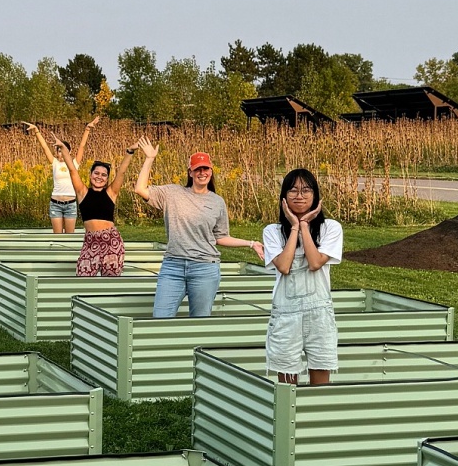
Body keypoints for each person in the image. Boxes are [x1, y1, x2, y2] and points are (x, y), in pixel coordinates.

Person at [132, 137, 263, 317]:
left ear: (211, 171)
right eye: (197, 169)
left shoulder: (217, 202)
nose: (202, 172)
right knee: (160, 318)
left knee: (200, 320)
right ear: (190, 173)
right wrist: (149, 159)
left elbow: (220, 237)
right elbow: (140, 189)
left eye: (206, 168)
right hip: (173, 266)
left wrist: (250, 243)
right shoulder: (172, 193)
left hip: (205, 268)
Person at [263, 169, 342, 385]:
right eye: (293, 190)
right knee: (287, 384)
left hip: (320, 315)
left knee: (321, 383)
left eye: (306, 190)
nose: (300, 195)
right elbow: (284, 266)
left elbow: (315, 263)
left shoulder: (331, 229)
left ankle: (318, 418)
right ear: (284, 197)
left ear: (315, 196)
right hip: (285, 316)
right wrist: (295, 226)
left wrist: (305, 226)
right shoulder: (272, 231)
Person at [49, 134, 135, 276]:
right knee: (83, 277)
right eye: (96, 173)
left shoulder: (111, 193)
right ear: (90, 175)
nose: (99, 177)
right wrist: (63, 148)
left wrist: (129, 152)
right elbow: (72, 170)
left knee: (110, 282)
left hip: (111, 241)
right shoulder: (82, 192)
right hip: (90, 241)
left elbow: (122, 172)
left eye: (103, 175)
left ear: (107, 179)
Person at [24, 116, 99, 233]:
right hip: (56, 204)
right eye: (58, 151)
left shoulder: (74, 163)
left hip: (70, 204)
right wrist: (36, 131)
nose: (61, 154)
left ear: (68, 152)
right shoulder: (54, 163)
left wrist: (87, 129)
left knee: (69, 237)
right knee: (57, 237)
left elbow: (82, 146)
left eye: (63, 150)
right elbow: (44, 147)